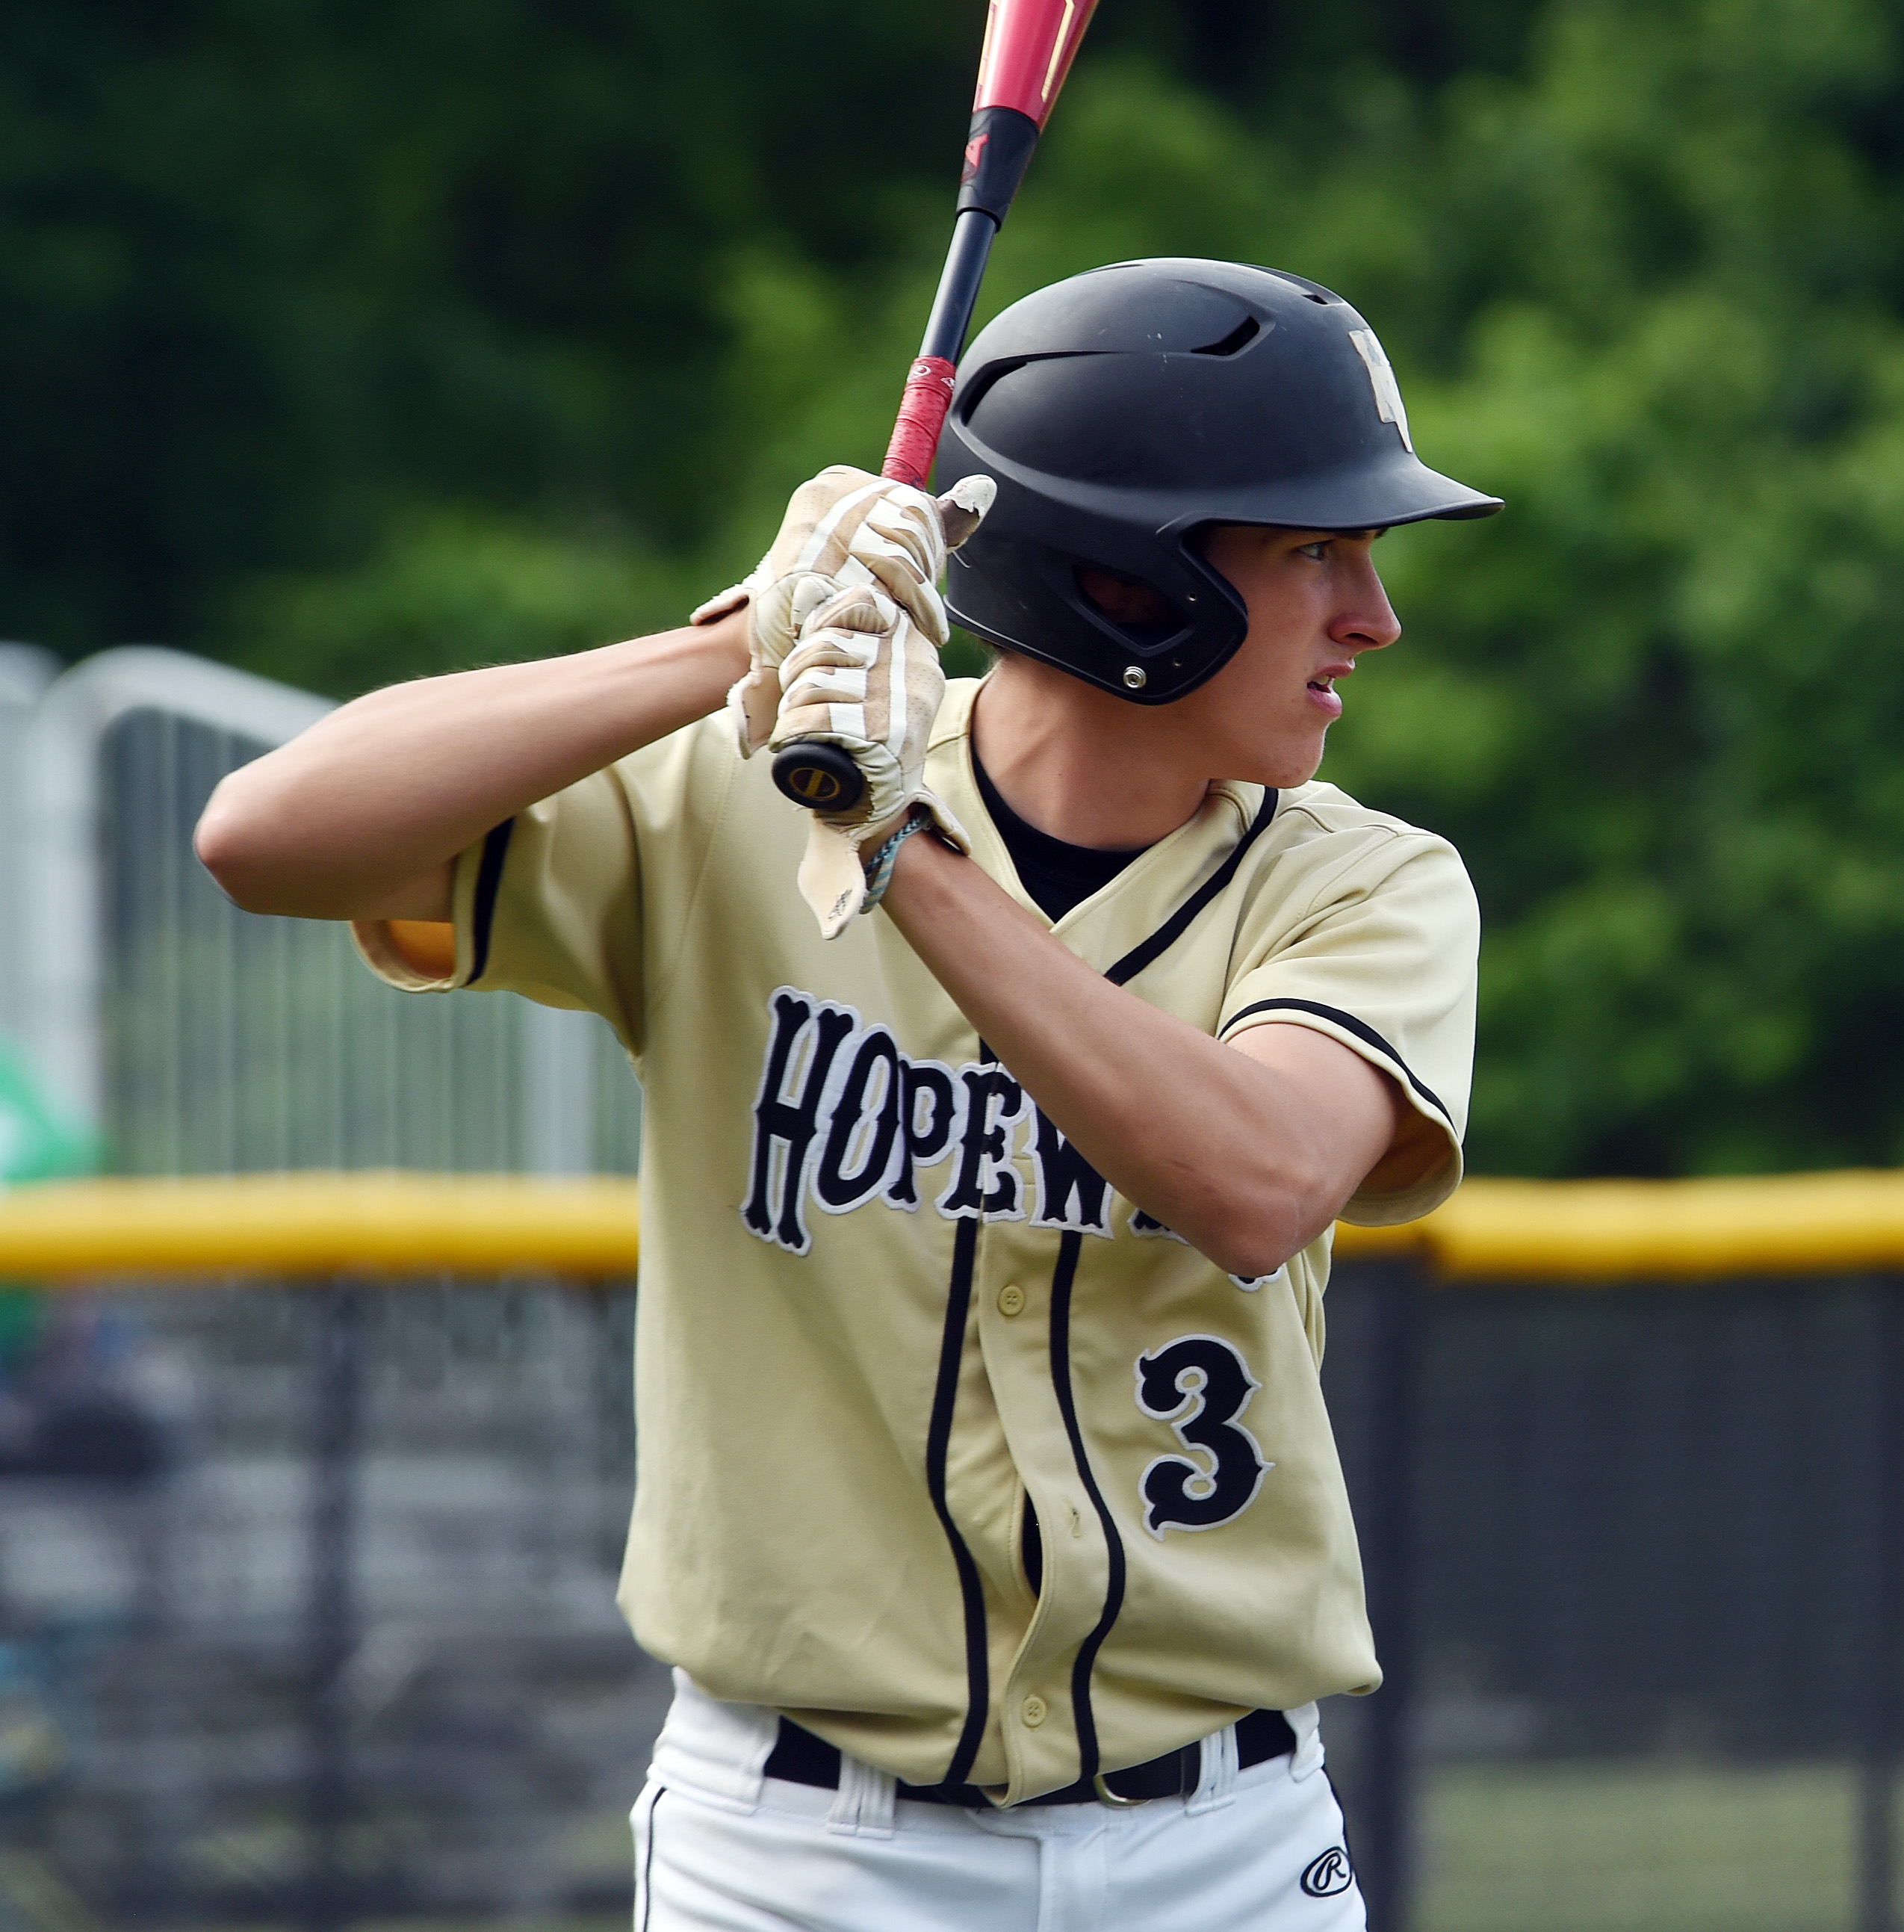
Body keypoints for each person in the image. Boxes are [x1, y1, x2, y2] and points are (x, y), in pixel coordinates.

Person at [194, 258, 1495, 1931]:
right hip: (806, 1856)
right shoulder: (730, 796)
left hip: (1222, 1851)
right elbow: (267, 836)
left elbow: (1255, 1184)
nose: (1371, 616)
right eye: (1313, 547)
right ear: (1126, 583)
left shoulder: (1361, 885)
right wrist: (737, 642)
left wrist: (895, 847)